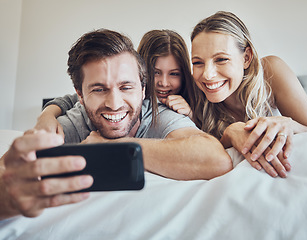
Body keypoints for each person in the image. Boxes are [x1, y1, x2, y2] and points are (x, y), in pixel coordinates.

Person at [0, 29, 232, 220]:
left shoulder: (161, 114)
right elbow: (10, 174)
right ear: (80, 95)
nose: (114, 104)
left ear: (143, 90)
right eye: (99, 89)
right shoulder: (73, 120)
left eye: (126, 87)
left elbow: (216, 159)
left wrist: (117, 146)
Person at [189, 11, 307, 178]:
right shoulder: (192, 92)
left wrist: (291, 125)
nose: (207, 74)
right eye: (197, 62)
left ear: (246, 57)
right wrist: (229, 134)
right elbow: (199, 161)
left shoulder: (271, 71)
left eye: (221, 59)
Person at [35, 29, 194, 136]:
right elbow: (71, 99)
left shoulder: (189, 102)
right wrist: (47, 114)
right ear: (143, 75)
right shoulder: (79, 115)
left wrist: (191, 115)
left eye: (174, 74)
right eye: (156, 73)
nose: (164, 83)